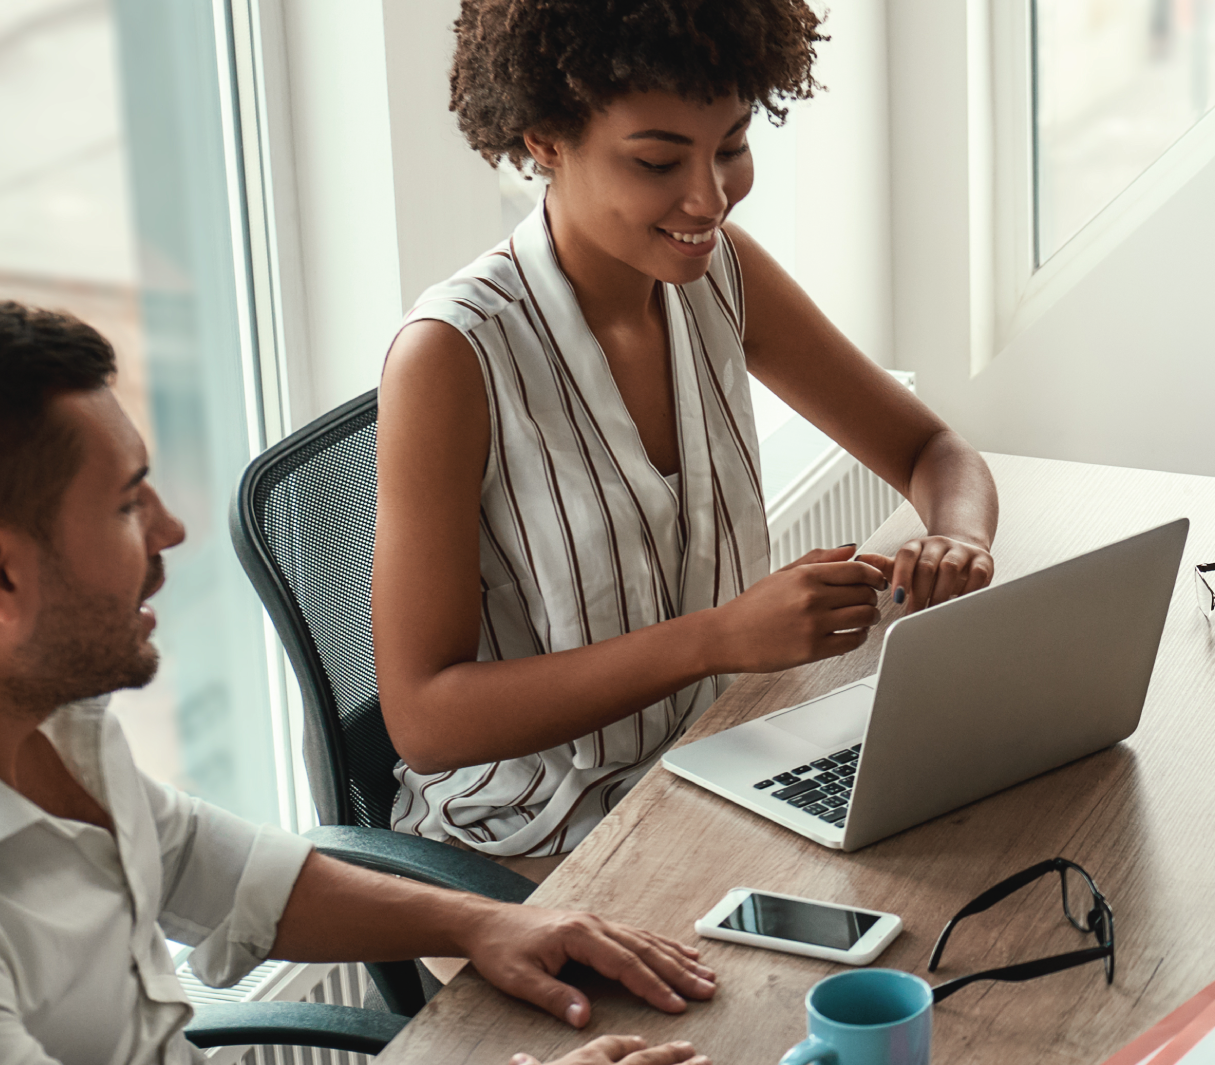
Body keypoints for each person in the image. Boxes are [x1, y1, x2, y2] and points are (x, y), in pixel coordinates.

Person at [0, 297, 714, 1065]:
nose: (170, 529)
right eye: (127, 504)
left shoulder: (48, 714)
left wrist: (487, 924)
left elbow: (194, 858)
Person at [375, 0, 1001, 868]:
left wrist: (957, 539)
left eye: (733, 146)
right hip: (536, 842)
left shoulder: (719, 271)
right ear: (547, 139)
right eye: (659, 160)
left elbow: (936, 454)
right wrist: (721, 638)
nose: (708, 197)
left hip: (721, 760)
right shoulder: (452, 356)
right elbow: (426, 720)